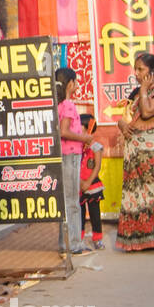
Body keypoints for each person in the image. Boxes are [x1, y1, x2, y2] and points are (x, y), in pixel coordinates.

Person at [116, 52, 154, 255]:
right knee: (137, 198)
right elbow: (124, 117)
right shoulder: (135, 93)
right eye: (136, 69)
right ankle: (139, 240)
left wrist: (143, 90)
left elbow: (149, 110)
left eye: (141, 69)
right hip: (136, 157)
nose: (136, 73)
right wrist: (122, 125)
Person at [56, 66, 100, 255]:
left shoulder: (57, 104)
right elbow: (64, 131)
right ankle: (74, 244)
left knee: (66, 202)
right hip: (70, 156)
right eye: (75, 82)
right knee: (72, 202)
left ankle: (65, 243)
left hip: (64, 155)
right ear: (71, 83)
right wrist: (85, 138)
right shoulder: (68, 105)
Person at [78, 114, 105, 250]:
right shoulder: (76, 146)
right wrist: (79, 182)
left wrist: (88, 182)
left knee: (95, 214)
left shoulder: (96, 147)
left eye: (80, 127)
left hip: (92, 184)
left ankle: (97, 239)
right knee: (79, 214)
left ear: (88, 129)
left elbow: (97, 166)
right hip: (78, 184)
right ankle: (79, 239)